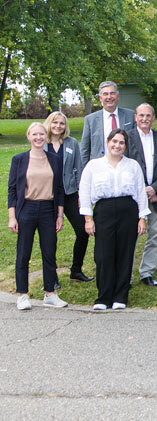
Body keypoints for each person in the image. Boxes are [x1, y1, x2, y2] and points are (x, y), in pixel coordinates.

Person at [79, 129, 149, 311]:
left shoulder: (133, 165)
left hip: (128, 210)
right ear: (108, 142)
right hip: (104, 211)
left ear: (125, 146)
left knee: (124, 254)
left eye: (121, 143)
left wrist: (142, 217)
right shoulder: (94, 166)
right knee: (103, 255)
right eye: (114, 141)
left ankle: (120, 296)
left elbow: (141, 192)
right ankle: (103, 296)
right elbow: (84, 192)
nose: (117, 145)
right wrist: (88, 219)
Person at [8, 123, 67, 310]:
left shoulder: (55, 159)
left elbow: (59, 188)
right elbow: (11, 190)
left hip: (48, 210)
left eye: (42, 134)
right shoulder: (19, 159)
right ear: (28, 136)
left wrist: (60, 215)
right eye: (35, 134)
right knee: (23, 252)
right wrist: (12, 217)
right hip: (26, 208)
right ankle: (22, 294)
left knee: (49, 251)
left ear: (46, 136)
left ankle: (50, 293)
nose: (38, 137)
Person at [125, 104, 157, 287]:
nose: (145, 119)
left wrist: (154, 189)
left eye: (148, 115)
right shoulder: (127, 138)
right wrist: (143, 190)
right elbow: (125, 166)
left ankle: (147, 272)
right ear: (135, 117)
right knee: (131, 237)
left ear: (153, 117)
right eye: (141, 115)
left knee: (155, 236)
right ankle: (126, 275)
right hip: (133, 197)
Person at [44, 112, 93, 283]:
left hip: (69, 193)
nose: (58, 126)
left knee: (82, 231)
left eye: (62, 123)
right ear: (49, 124)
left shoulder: (71, 143)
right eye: (55, 123)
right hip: (48, 196)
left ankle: (76, 270)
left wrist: (81, 193)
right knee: (50, 236)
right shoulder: (42, 143)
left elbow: (79, 169)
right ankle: (51, 276)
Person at [80, 81, 135, 163]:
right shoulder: (90, 120)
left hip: (125, 166)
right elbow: (85, 148)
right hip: (99, 168)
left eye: (112, 93)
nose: (109, 97)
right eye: (105, 94)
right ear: (100, 98)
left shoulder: (131, 115)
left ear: (117, 96)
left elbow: (136, 144)